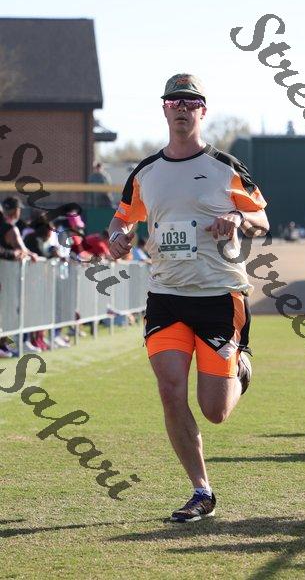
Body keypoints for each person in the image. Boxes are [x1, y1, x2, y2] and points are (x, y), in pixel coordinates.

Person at [108, 74, 269, 523]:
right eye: (174, 101)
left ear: (203, 110)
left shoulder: (224, 166)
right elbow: (122, 218)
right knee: (169, 390)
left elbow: (263, 219)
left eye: (190, 102)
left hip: (219, 295)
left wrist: (236, 217)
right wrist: (118, 236)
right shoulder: (145, 171)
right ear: (164, 109)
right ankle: (201, 490)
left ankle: (240, 366)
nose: (182, 107)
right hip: (166, 295)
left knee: (214, 411)